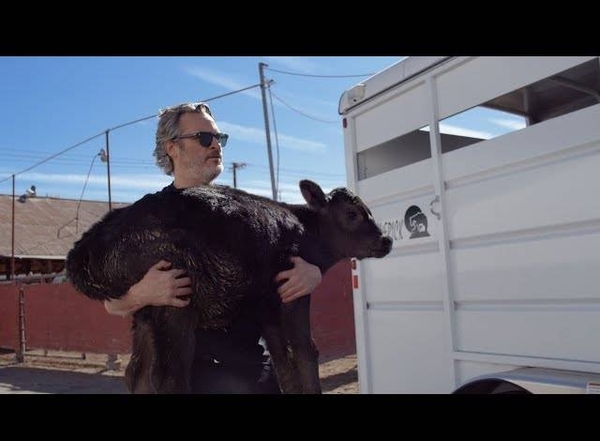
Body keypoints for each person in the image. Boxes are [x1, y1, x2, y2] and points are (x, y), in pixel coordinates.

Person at [103, 102, 322, 393]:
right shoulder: (145, 218)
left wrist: (313, 271)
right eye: (204, 138)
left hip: (253, 376)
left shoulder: (249, 212)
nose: (216, 145)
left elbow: (304, 254)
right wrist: (143, 293)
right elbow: (111, 303)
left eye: (220, 138)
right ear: (172, 148)